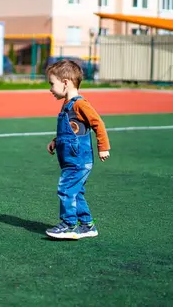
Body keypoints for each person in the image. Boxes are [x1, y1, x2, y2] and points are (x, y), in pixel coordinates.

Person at [45, 59, 110, 240]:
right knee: (76, 192)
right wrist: (55, 141)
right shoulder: (66, 104)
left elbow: (98, 123)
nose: (50, 89)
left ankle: (69, 225)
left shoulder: (80, 104)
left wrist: (103, 147)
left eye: (52, 84)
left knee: (66, 189)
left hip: (79, 160)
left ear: (65, 83)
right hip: (69, 160)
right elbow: (71, 129)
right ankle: (88, 226)